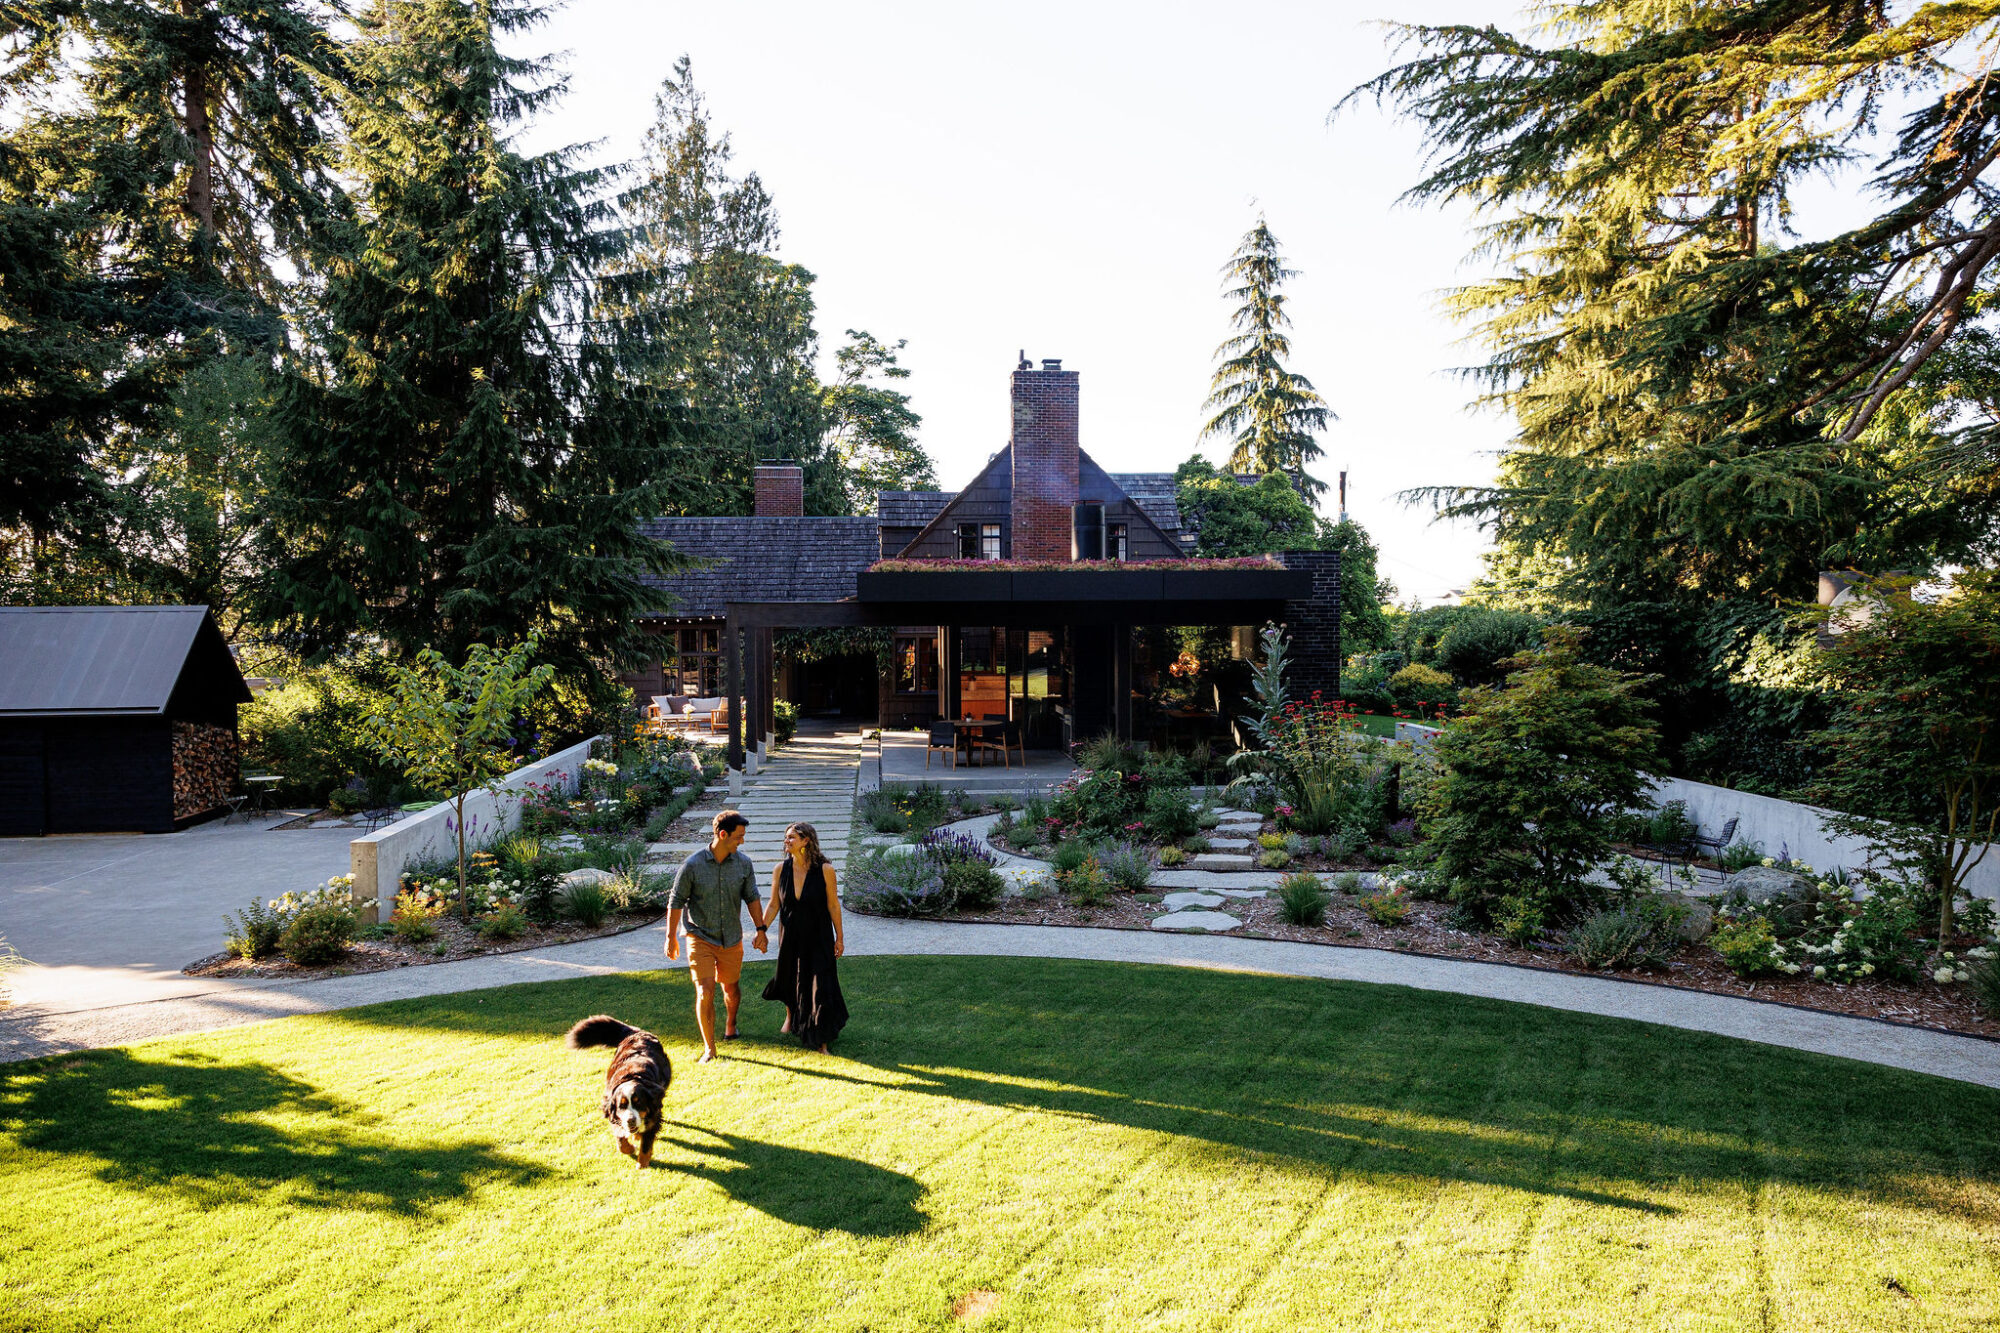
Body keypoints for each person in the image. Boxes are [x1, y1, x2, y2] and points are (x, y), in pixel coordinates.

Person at [665, 809, 767, 1063]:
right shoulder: (692, 865)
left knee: (731, 988)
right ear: (723, 835)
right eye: (738, 836)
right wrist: (670, 937)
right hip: (699, 936)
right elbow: (676, 901)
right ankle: (710, 1048)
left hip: (731, 937)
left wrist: (761, 929)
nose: (742, 841)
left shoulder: (743, 864)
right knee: (705, 991)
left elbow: (752, 897)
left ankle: (731, 1025)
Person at [759, 820, 847, 1052]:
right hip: (790, 936)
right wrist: (761, 930)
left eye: (791, 837)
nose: (786, 841)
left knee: (820, 986)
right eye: (786, 837)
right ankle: (791, 1017)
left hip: (819, 937)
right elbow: (773, 904)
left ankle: (821, 1039)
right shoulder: (781, 869)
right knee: (789, 978)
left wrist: (839, 937)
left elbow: (833, 906)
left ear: (806, 841)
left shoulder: (825, 870)